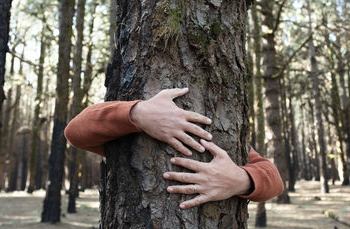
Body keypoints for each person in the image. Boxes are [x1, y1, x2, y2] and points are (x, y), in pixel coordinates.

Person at [64, 88, 283, 209]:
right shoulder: (123, 132)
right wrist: (138, 113)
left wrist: (241, 180)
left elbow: (275, 180)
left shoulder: (221, 137)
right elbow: (75, 131)